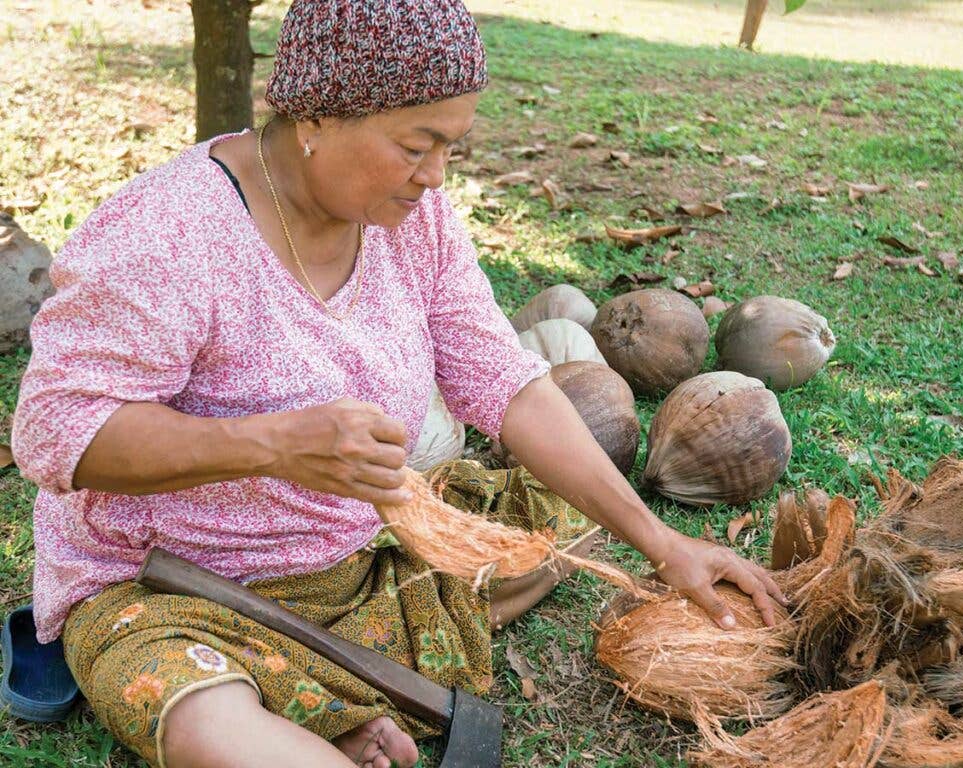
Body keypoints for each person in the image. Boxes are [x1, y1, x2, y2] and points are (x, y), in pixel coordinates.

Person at [11, 1, 786, 766]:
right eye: (419, 145)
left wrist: (662, 543)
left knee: (553, 531)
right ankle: (295, 710)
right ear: (315, 117)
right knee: (198, 717)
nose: (436, 175)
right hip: (175, 589)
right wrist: (273, 445)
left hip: (360, 563)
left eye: (453, 145)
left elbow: (507, 383)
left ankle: (321, 699)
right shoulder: (167, 233)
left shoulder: (416, 220)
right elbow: (58, 433)